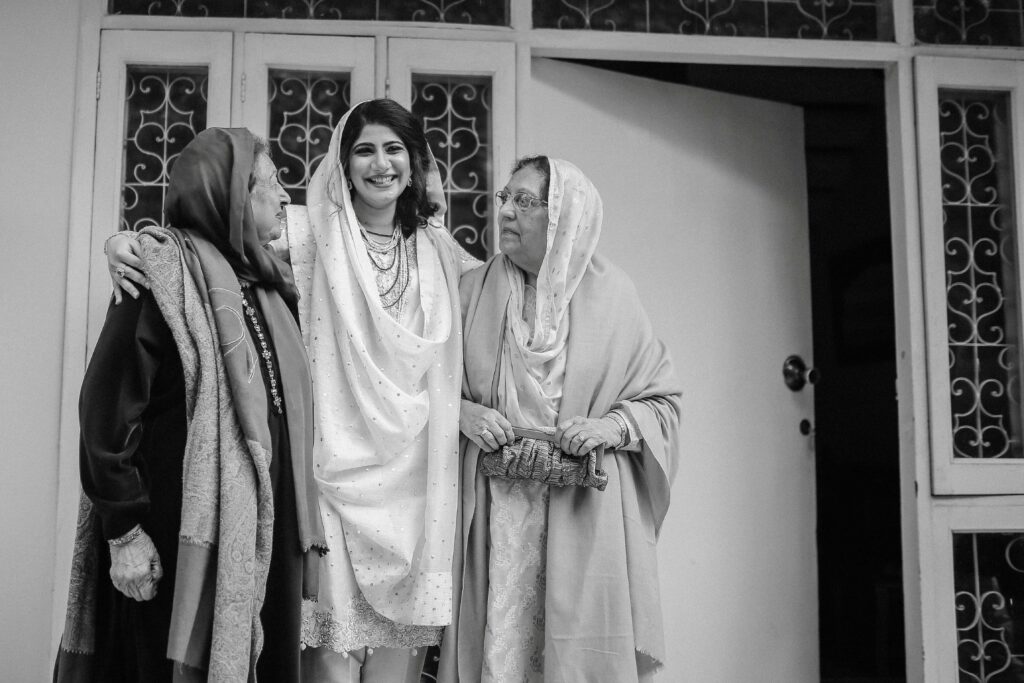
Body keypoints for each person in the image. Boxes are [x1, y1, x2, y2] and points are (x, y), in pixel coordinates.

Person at [104, 100, 475, 683]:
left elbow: (503, 304)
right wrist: (132, 241)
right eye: (364, 150)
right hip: (326, 482)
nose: (381, 165)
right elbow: (210, 239)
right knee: (324, 668)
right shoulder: (307, 233)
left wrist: (470, 411)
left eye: (394, 149)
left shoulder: (442, 253)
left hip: (416, 487)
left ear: (417, 162)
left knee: (396, 674)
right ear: (343, 163)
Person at [55, 127, 327, 683]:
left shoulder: (271, 285)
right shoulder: (159, 276)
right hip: (172, 542)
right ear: (229, 196)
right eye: (271, 184)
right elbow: (104, 412)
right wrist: (124, 533)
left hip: (258, 534)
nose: (284, 198)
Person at [439, 157, 682, 683]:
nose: (505, 210)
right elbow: (423, 389)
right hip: (495, 509)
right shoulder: (469, 289)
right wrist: (461, 411)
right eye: (505, 197)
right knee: (500, 653)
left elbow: (661, 402)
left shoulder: (614, 294)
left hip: (580, 509)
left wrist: (608, 428)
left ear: (565, 217)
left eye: (524, 201)